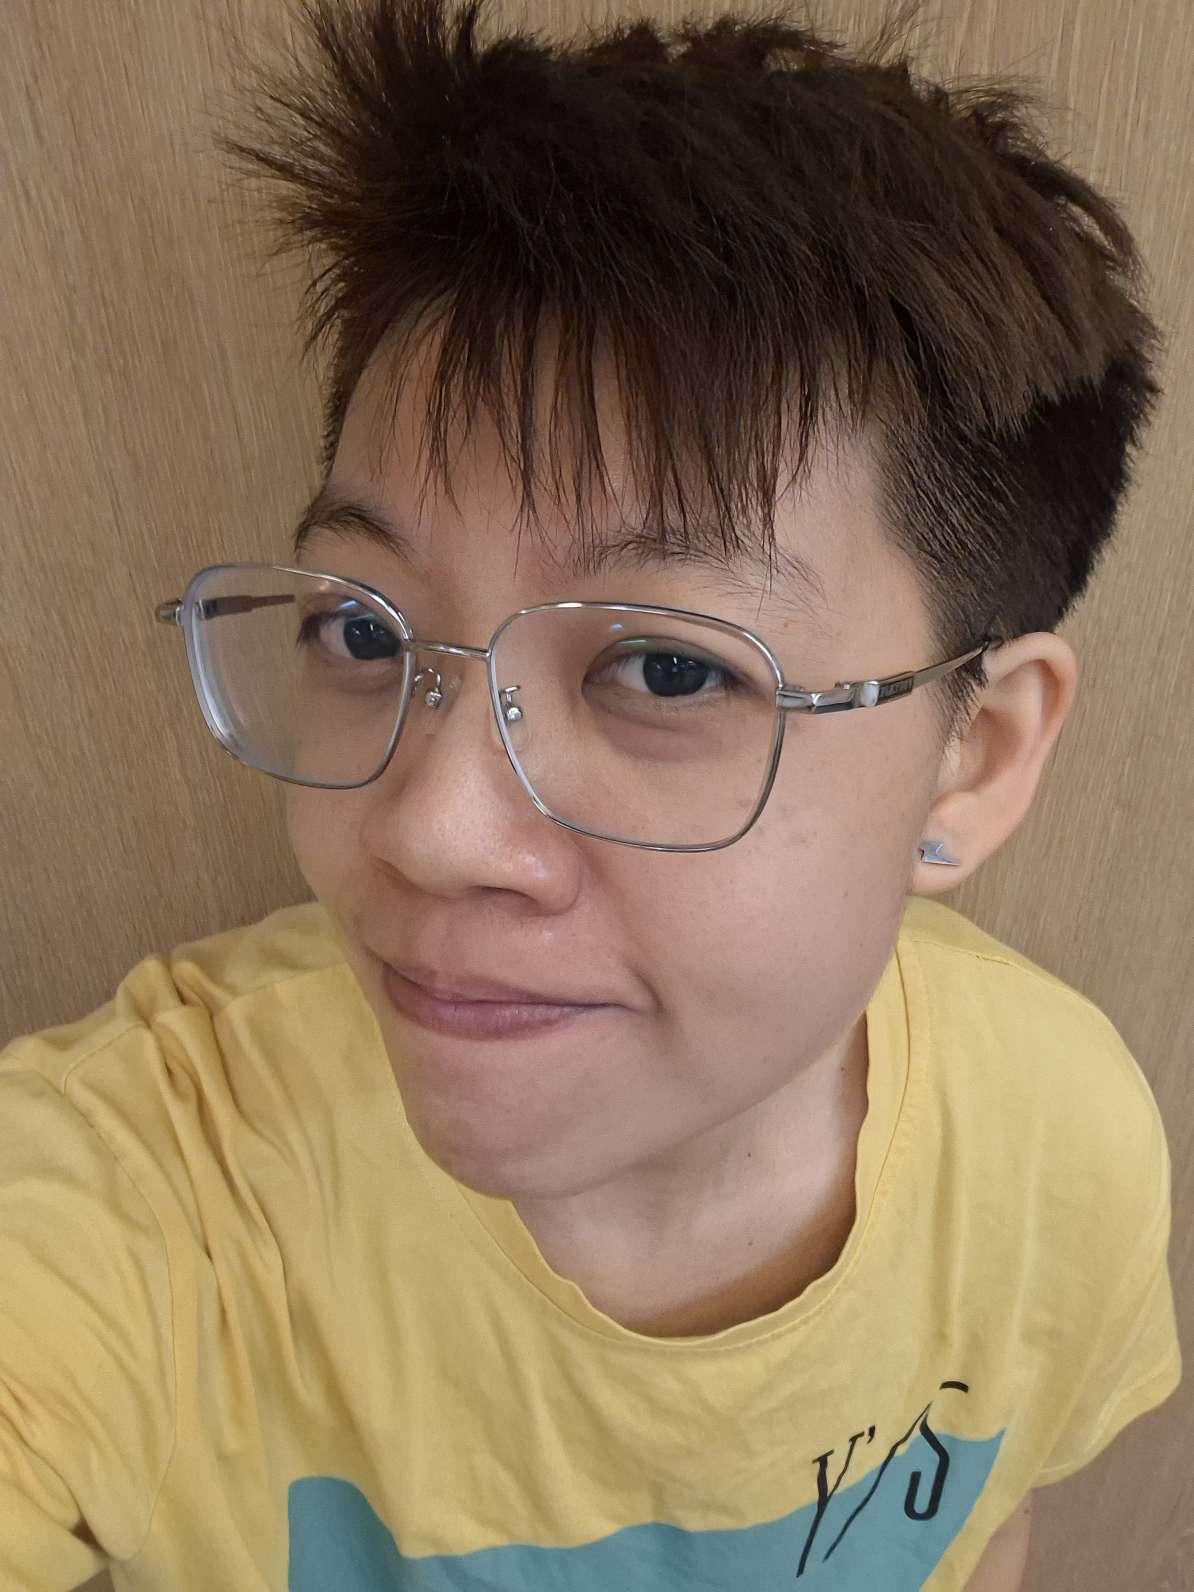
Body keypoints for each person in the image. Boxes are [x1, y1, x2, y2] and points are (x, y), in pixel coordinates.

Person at [1, 0, 1182, 1586]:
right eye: (365, 633)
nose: (425, 830)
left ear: (971, 756)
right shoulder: (153, 1207)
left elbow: (984, 1527)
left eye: (667, 669)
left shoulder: (1052, 1145)